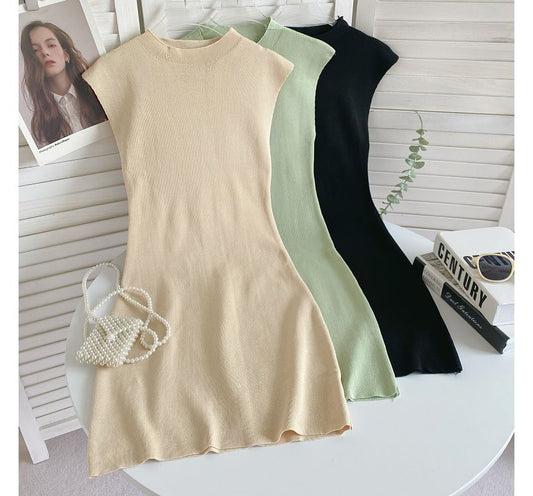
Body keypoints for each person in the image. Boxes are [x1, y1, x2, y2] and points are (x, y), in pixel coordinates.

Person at [20, 20, 107, 147]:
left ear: (66, 55)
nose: (45, 52)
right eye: (35, 50)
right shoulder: (41, 124)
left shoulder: (95, 93)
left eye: (51, 45)